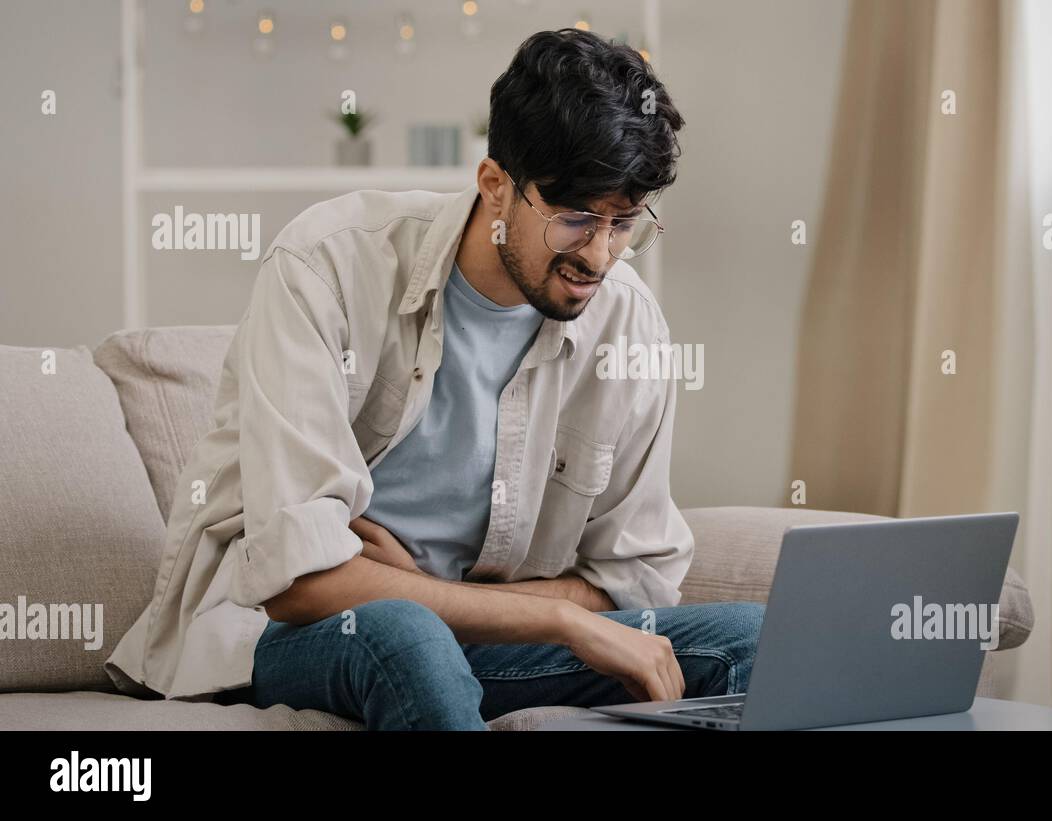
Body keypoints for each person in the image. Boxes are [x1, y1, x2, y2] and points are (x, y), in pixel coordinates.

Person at [105, 27, 764, 730]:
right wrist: (562, 621)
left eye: (625, 222)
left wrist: (434, 590)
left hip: (485, 639)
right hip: (282, 633)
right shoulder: (325, 265)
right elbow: (299, 581)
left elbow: (633, 580)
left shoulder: (628, 325)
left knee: (755, 640)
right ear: (494, 185)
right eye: (574, 219)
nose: (599, 256)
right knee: (404, 632)